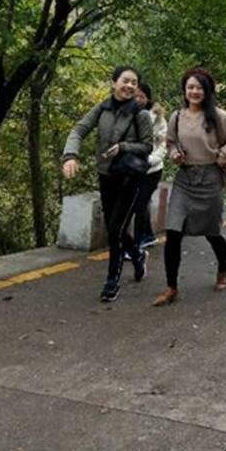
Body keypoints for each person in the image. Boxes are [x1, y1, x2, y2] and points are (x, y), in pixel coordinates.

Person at [152, 68, 226, 307]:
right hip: (185, 179)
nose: (194, 91)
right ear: (184, 90)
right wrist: (174, 153)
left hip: (210, 178)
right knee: (173, 232)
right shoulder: (177, 117)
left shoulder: (218, 116)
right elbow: (170, 142)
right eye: (190, 87)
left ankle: (222, 270)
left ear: (207, 91)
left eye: (199, 87)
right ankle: (171, 287)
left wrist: (224, 152)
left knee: (212, 232)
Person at [62, 66, 152, 302]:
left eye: (134, 83)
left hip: (130, 179)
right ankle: (138, 256)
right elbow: (79, 129)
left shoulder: (140, 114)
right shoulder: (103, 108)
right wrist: (70, 155)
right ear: (114, 83)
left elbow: (147, 146)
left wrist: (123, 147)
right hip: (107, 176)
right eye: (125, 81)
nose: (129, 86)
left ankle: (112, 281)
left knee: (115, 231)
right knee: (117, 228)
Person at [133, 82, 167, 249]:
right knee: (138, 204)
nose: (138, 100)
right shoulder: (127, 114)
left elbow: (164, 144)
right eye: (136, 96)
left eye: (142, 96)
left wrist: (152, 159)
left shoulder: (158, 118)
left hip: (152, 170)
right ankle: (149, 235)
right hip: (133, 169)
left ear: (148, 98)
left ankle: (137, 243)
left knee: (140, 204)